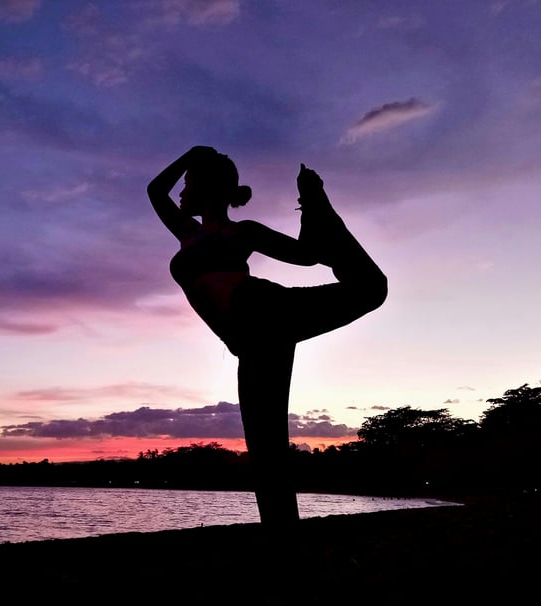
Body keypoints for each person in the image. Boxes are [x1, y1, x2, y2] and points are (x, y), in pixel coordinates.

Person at [147, 145, 388, 530]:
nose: (181, 191)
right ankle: (281, 534)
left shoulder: (244, 232)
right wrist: (190, 155)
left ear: (208, 187)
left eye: (189, 182)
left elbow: (308, 255)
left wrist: (311, 206)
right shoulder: (187, 232)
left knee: (371, 288)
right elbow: (155, 192)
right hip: (249, 340)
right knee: (264, 440)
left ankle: (319, 204)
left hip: (265, 307)